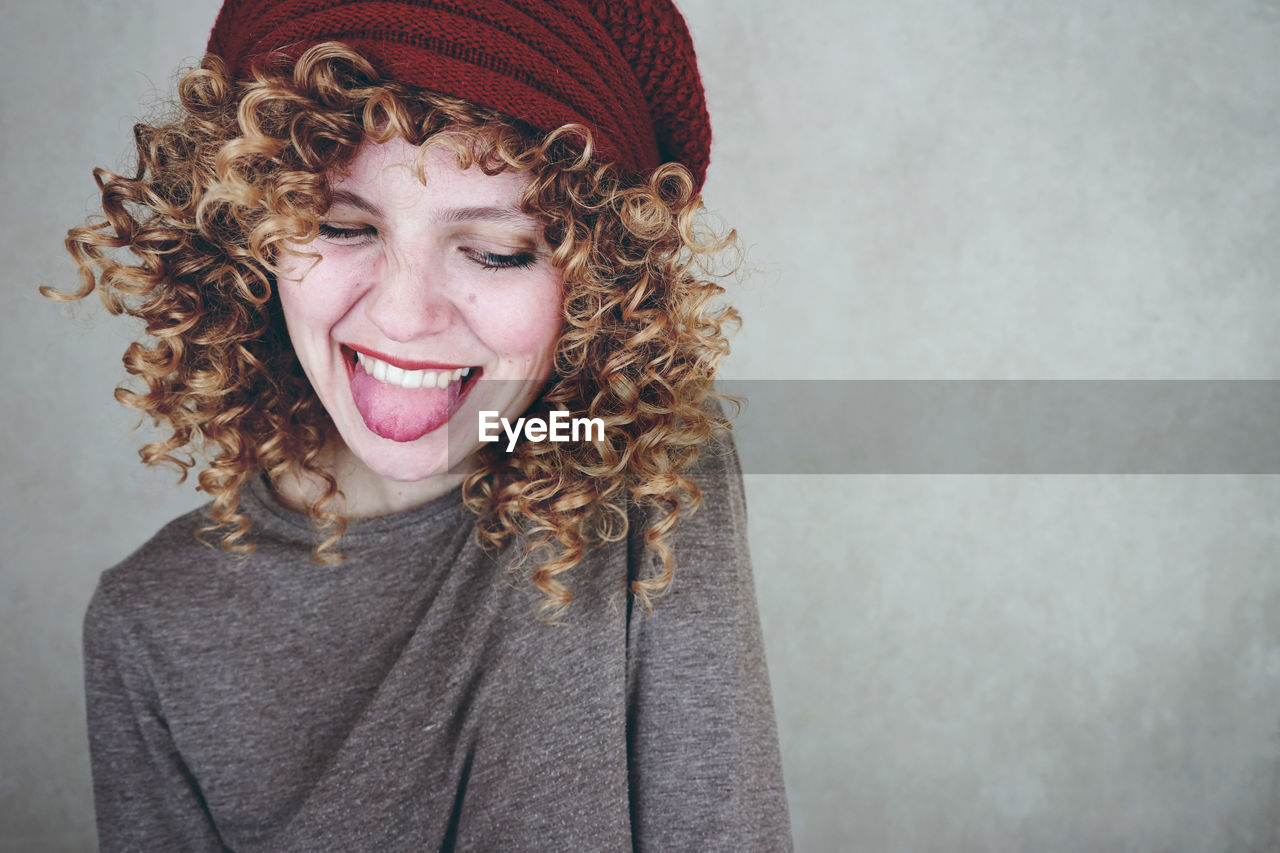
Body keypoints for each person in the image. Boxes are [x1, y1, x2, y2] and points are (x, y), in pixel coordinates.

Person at [52, 0, 792, 849]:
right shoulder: (149, 621)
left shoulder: (644, 472)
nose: (403, 318)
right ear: (249, 231)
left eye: (497, 250)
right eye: (339, 225)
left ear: (597, 285)